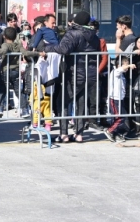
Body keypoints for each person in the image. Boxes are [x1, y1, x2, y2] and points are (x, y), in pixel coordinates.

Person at [43, 11, 100, 143]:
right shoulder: (94, 35)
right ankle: (79, 134)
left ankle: (64, 134)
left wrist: (47, 48)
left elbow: (63, 49)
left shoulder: (73, 33)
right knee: (81, 102)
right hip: (90, 74)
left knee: (62, 101)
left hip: (75, 72)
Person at [0, 27, 42, 118]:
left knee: (2, 90)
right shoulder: (18, 45)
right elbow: (26, 53)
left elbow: (3, 51)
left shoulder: (5, 45)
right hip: (16, 71)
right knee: (18, 92)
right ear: (15, 36)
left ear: (4, 36)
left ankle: (0, 109)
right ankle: (24, 110)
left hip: (5, 71)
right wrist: (39, 53)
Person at [104, 56, 135, 143]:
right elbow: (120, 69)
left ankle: (116, 134)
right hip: (114, 99)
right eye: (126, 64)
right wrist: (129, 66)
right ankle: (109, 131)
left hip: (120, 99)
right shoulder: (115, 72)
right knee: (120, 117)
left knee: (122, 117)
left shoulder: (121, 75)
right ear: (119, 65)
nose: (128, 66)